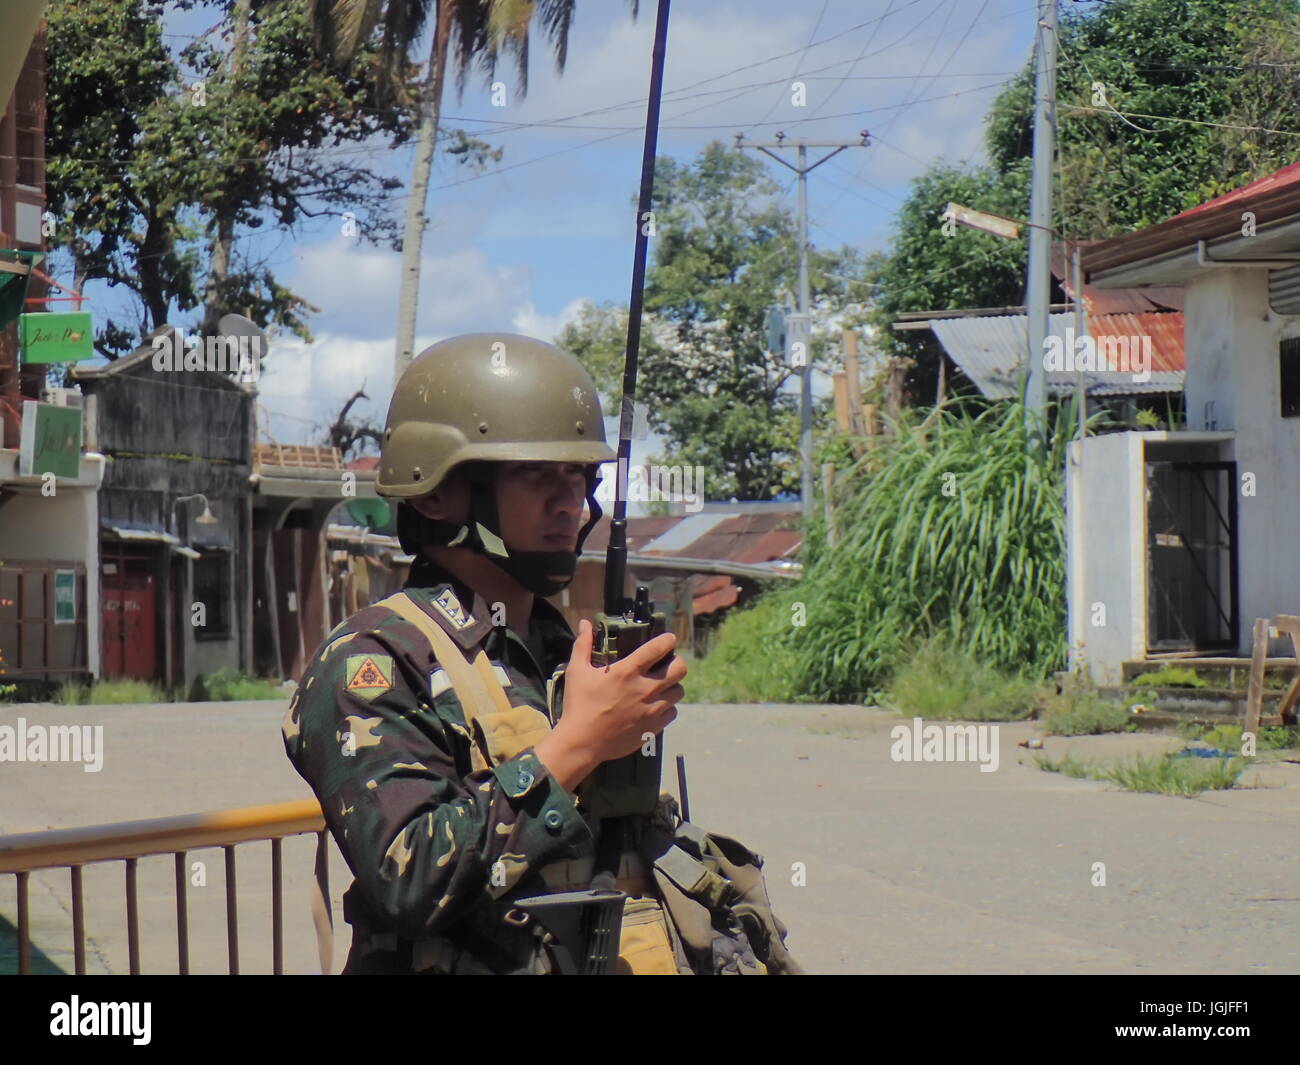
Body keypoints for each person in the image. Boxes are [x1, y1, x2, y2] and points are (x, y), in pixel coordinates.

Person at [282, 332, 800, 974]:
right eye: (537, 475)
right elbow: (409, 881)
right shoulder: (375, 661)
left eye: (580, 475)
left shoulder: (564, 649)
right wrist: (579, 744)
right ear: (438, 493)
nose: (571, 503)